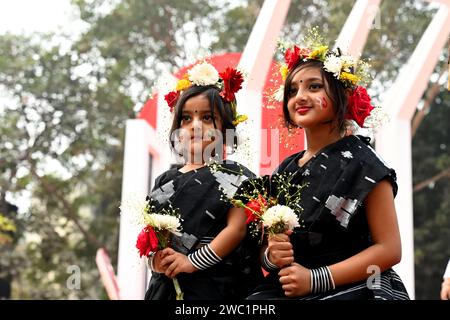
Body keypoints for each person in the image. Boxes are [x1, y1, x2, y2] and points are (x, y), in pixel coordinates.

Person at [247, 30, 409, 300]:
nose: (300, 96)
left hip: (355, 287)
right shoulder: (284, 171)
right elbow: (266, 254)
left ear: (342, 94)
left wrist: (316, 279)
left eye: (314, 86)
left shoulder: (366, 164)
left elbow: (390, 249)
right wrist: (272, 256)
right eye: (293, 90)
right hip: (290, 286)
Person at [144, 62, 263, 300]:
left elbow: (237, 229)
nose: (195, 126)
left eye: (207, 118)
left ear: (226, 127)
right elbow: (152, 238)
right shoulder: (164, 181)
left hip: (218, 287)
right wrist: (156, 262)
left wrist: (191, 262)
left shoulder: (235, 174)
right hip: (168, 288)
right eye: (186, 118)